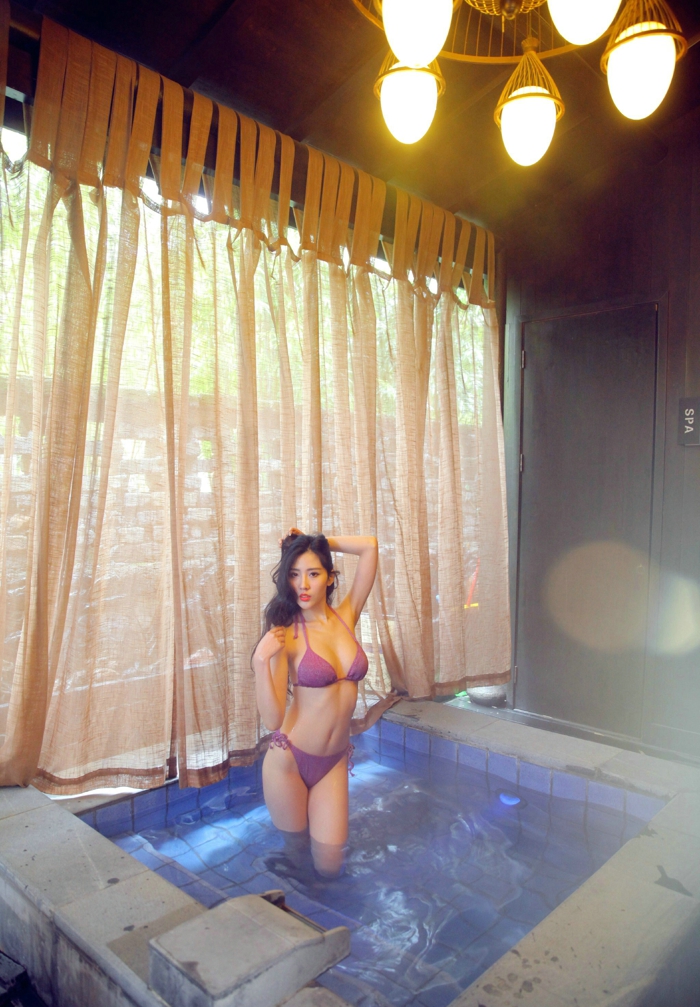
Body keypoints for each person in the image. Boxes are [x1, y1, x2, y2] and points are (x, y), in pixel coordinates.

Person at [252, 528, 378, 878]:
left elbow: (369, 547)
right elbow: (272, 719)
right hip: (289, 761)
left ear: (330, 577)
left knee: (329, 866)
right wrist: (260, 662)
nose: (303, 585)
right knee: (297, 858)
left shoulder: (346, 616)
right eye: (294, 575)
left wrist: (315, 541)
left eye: (313, 573)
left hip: (334, 761)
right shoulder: (286, 634)